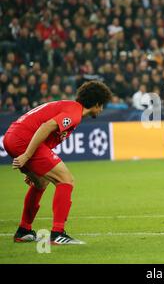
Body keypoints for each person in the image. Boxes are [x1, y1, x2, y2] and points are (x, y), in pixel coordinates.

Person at [3, 80, 113, 244]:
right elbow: (46, 127)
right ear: (96, 103)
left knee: (40, 182)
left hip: (13, 137)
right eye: (102, 105)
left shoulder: (69, 107)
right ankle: (58, 234)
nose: (102, 109)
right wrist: (27, 155)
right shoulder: (74, 113)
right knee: (66, 179)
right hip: (23, 140)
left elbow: (45, 135)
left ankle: (24, 230)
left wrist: (34, 168)